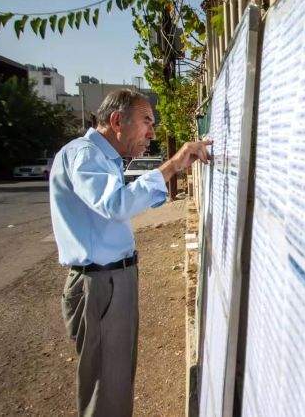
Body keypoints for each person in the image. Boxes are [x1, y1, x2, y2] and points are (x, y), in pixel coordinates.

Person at [48, 88, 211, 416]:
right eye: (146, 121)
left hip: (108, 282)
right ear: (116, 121)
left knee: (115, 380)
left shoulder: (101, 158)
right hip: (101, 285)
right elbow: (115, 204)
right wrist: (172, 166)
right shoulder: (84, 155)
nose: (152, 132)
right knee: (108, 387)